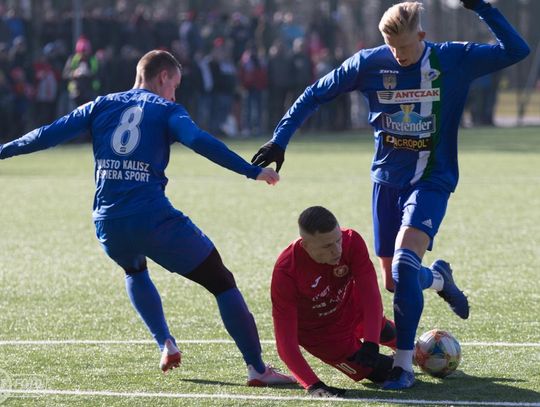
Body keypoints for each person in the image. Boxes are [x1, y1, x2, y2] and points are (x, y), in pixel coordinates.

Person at [251, 0, 530, 390]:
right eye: (392, 48)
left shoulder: (451, 59)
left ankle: (403, 367)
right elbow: (314, 94)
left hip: (432, 178)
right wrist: (280, 140)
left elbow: (518, 50)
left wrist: (480, 7)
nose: (399, 56)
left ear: (422, 35)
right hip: (386, 181)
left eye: (406, 48)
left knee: (402, 266)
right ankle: (438, 280)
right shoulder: (369, 63)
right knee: (397, 282)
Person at [0, 50, 296, 387]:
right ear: (164, 77)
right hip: (152, 218)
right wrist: (251, 171)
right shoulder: (167, 109)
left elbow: (46, 134)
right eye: (176, 85)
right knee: (221, 280)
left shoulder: (100, 104)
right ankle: (258, 369)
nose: (175, 93)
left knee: (134, 268)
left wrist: (3, 150)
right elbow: (198, 140)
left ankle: (165, 342)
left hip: (107, 222)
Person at [271, 206, 397, 397]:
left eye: (338, 240)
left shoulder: (352, 240)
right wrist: (312, 385)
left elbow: (371, 296)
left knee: (403, 342)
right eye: (327, 246)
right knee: (389, 373)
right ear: (305, 245)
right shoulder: (286, 272)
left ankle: (397, 342)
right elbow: (285, 342)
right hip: (323, 336)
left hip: (352, 309)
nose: (337, 250)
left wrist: (371, 342)